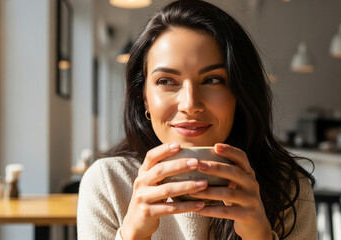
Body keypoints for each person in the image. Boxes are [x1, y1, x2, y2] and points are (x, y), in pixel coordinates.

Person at [77, 0, 317, 239]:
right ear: (145, 100)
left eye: (213, 80)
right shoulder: (108, 183)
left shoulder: (288, 187)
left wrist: (260, 235)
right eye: (166, 81)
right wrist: (131, 235)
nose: (190, 105)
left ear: (240, 94)